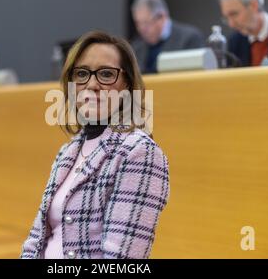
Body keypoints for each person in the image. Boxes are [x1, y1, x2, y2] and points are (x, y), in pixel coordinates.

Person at [20, 31, 170, 259]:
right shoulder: (68, 150)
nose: (92, 84)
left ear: (127, 86)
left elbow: (122, 260)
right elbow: (36, 238)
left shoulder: (139, 151)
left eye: (107, 74)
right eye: (81, 74)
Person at [131, 0, 205, 74]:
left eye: (146, 23)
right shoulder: (136, 47)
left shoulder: (189, 39)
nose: (141, 29)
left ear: (162, 17)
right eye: (138, 23)